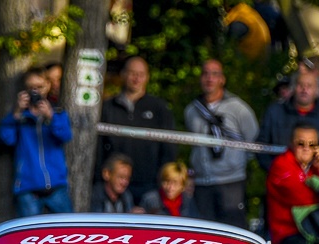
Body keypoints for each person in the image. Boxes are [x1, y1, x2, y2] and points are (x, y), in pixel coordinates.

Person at [184, 59, 258, 227]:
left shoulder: (239, 108)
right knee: (205, 231)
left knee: (233, 229)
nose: (210, 78)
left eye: (215, 74)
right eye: (205, 74)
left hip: (232, 181)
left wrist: (237, 164)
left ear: (222, 79)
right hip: (202, 182)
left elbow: (253, 140)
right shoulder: (191, 110)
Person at [97, 56, 177, 200]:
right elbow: (99, 147)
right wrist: (99, 179)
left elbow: (169, 148)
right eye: (132, 73)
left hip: (150, 186)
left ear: (147, 77)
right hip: (113, 187)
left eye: (141, 74)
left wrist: (163, 181)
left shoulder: (159, 108)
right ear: (123, 74)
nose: (137, 78)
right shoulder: (108, 107)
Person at [0, 66, 73, 217]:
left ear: (48, 86)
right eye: (31, 88)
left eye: (39, 87)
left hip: (56, 185)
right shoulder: (20, 116)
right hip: (28, 187)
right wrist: (16, 113)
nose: (35, 92)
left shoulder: (57, 112)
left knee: (68, 226)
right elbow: (7, 139)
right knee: (30, 230)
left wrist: (50, 116)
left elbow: (65, 136)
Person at [257, 68, 319, 173]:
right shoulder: (274, 112)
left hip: (315, 179)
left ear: (317, 90)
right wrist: (276, 171)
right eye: (300, 85)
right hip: (280, 177)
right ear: (293, 87)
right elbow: (261, 146)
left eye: (309, 86)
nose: (304, 89)